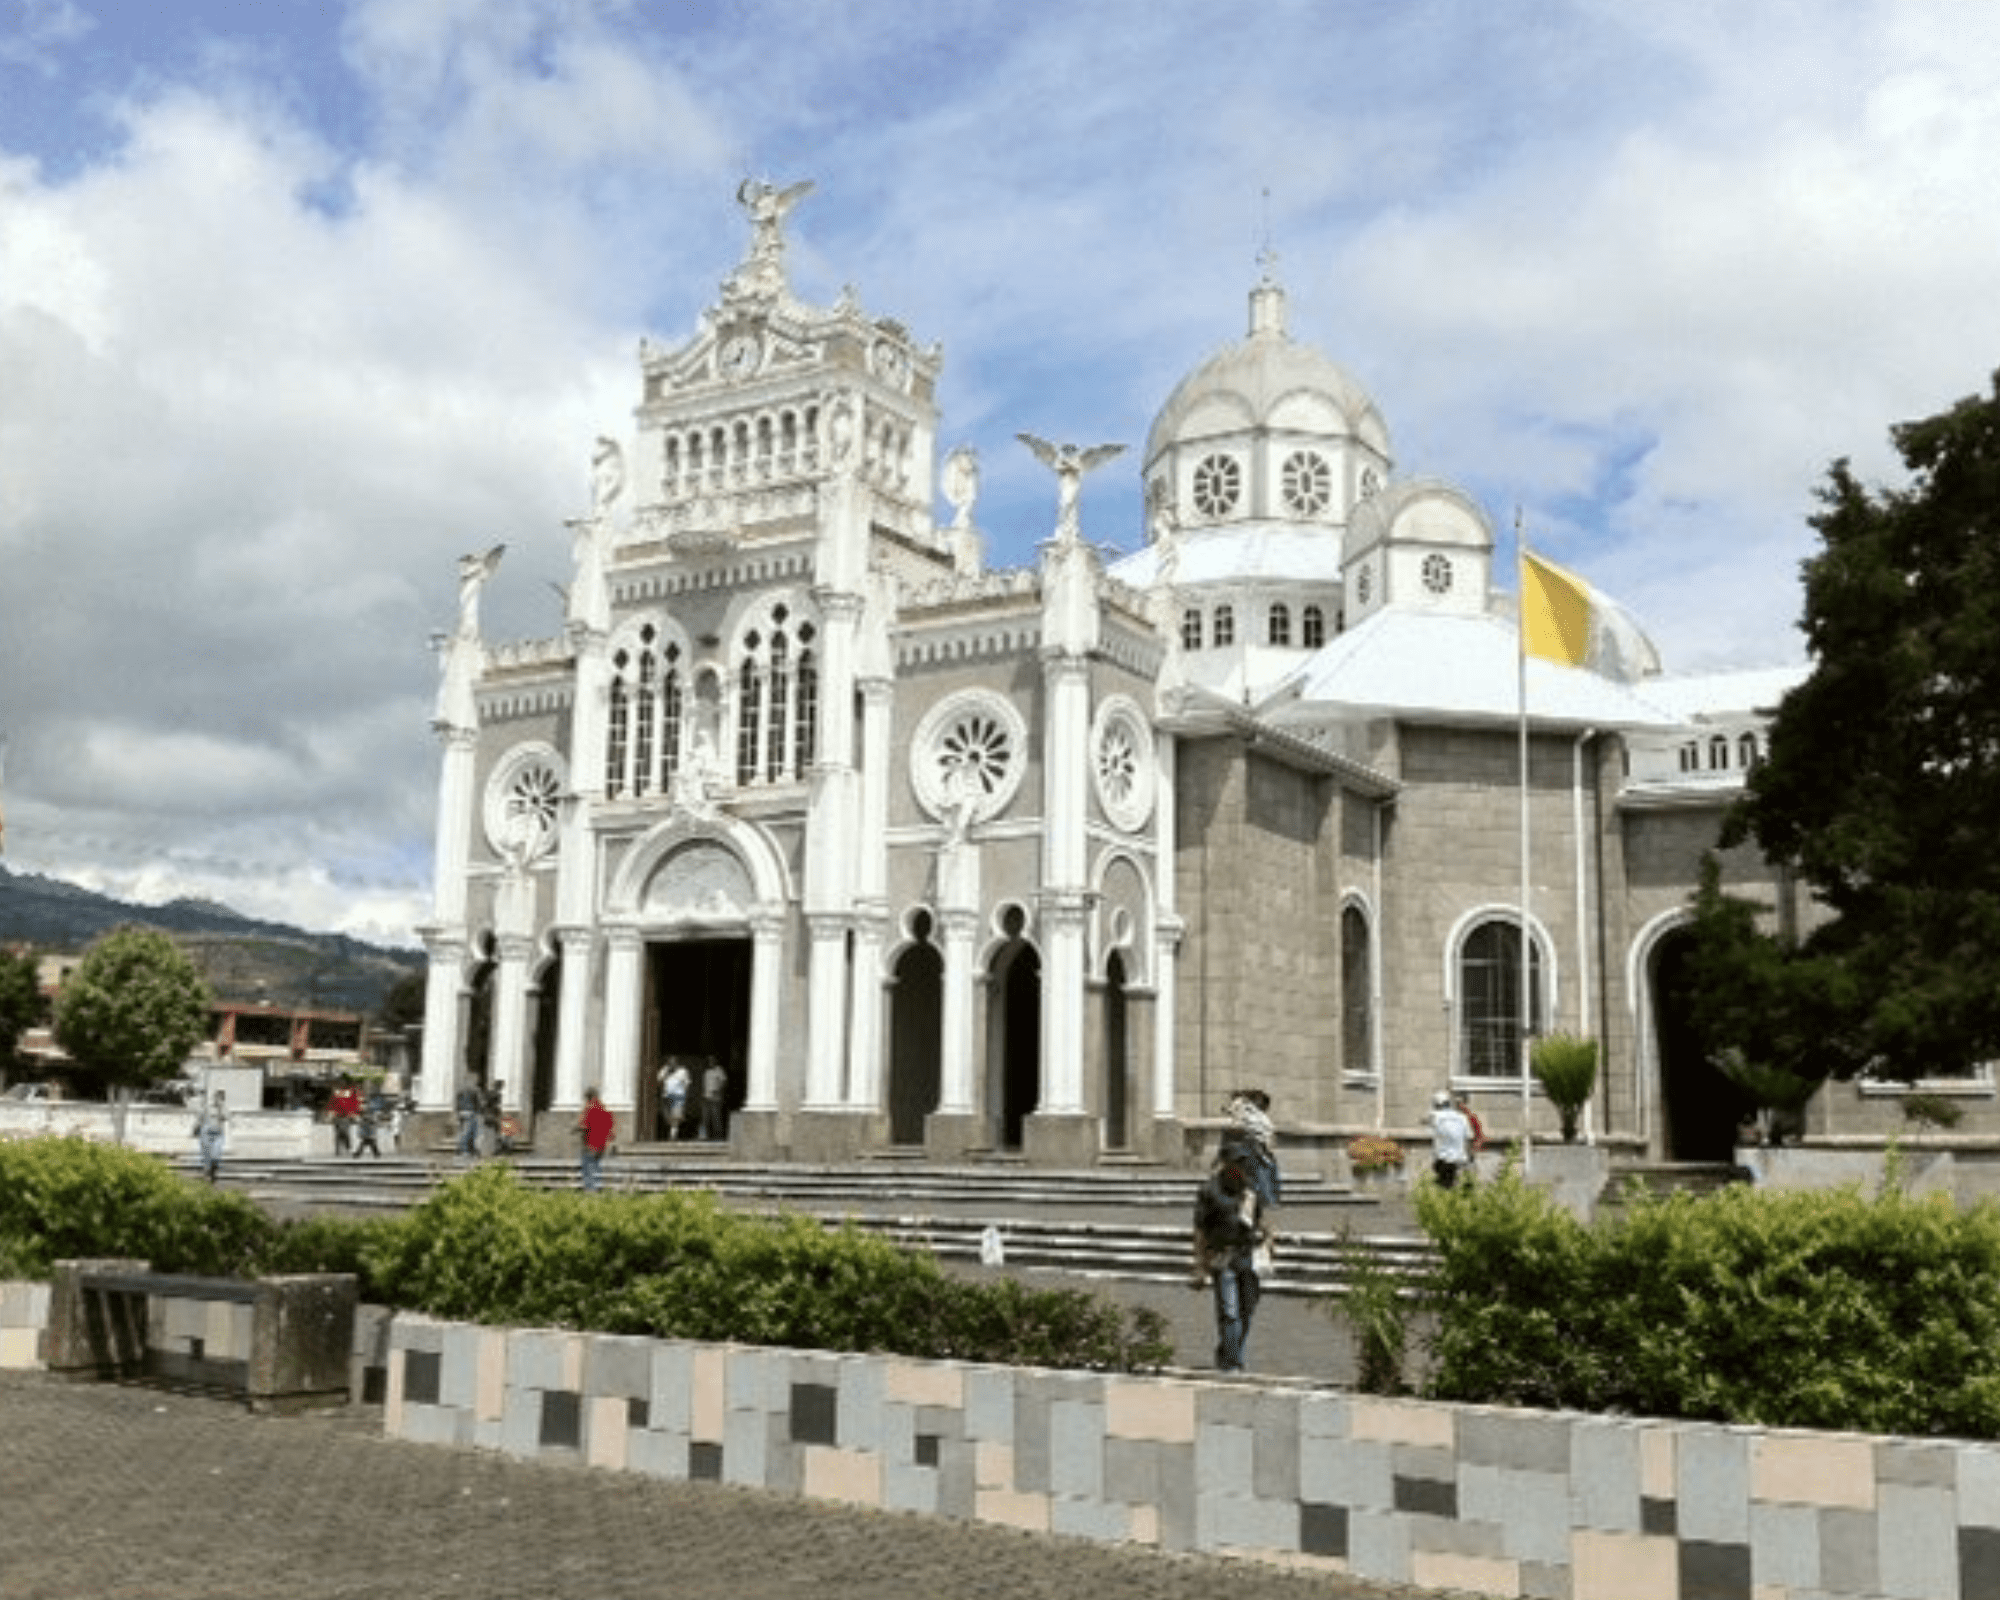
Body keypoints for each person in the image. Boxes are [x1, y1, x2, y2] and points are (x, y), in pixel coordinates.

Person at [1190, 1160, 1265, 1373]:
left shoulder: (1251, 1189)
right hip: (1222, 1258)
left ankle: (1227, 1352)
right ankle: (1233, 1363)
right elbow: (1199, 1228)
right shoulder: (1210, 1191)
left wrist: (1267, 1236)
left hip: (1247, 1257)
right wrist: (1199, 1260)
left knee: (1247, 1310)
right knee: (1229, 1312)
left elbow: (1259, 1220)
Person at [1429, 1089, 1474, 1189]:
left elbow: (1431, 1131)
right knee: (1462, 1189)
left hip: (1444, 1160)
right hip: (1461, 1159)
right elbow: (1469, 1137)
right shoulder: (1462, 1117)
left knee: (1444, 1189)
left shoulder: (1436, 1117)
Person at [576, 1086, 615, 1192]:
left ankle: (590, 1190)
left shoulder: (589, 1110)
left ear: (588, 1098)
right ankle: (596, 1187)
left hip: (590, 1144)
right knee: (596, 1167)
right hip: (601, 1145)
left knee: (588, 1168)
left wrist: (577, 1128)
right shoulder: (604, 1110)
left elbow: (583, 1126)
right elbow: (610, 1127)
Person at [191, 1092, 227, 1185]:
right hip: (206, 1134)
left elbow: (225, 1117)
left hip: (218, 1134)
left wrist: (221, 1107)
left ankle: (212, 1173)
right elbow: (199, 1119)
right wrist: (195, 1129)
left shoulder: (223, 1109)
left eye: (221, 1098)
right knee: (207, 1156)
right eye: (217, 1098)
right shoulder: (207, 1108)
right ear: (214, 1098)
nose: (218, 1100)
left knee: (216, 1155)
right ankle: (208, 1176)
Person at [659, 1059, 691, 1141]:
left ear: (677, 1063)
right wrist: (666, 1070)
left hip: (678, 1096)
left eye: (673, 1062)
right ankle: (672, 1130)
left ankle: (673, 1134)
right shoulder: (665, 1070)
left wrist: (684, 1095)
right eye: (670, 1062)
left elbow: (687, 1084)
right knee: (667, 1116)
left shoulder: (683, 1071)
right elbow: (659, 1079)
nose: (671, 1063)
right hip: (666, 1096)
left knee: (676, 1116)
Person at [329, 1079, 362, 1157]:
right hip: (341, 1116)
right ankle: (342, 1149)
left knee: (342, 1133)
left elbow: (353, 1104)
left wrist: (353, 1113)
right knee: (341, 1133)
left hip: (342, 1116)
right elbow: (353, 1104)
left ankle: (343, 1149)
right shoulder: (343, 1093)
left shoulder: (342, 1093)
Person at [700, 1059, 728, 1142]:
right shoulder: (706, 1071)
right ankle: (703, 1136)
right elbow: (704, 1084)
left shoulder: (719, 1070)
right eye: (709, 1060)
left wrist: (718, 1090)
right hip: (706, 1096)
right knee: (705, 1117)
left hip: (716, 1097)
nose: (710, 1062)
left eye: (712, 1060)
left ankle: (718, 1135)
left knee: (716, 1116)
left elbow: (724, 1082)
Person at [455, 1080, 484, 1161]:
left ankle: (463, 1149)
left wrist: (458, 1112)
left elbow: (457, 1103)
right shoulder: (474, 1091)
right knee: (469, 1132)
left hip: (461, 1112)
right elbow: (478, 1103)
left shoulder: (460, 1091)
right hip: (470, 1112)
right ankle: (465, 1150)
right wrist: (479, 1111)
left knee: (462, 1131)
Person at [354, 1089, 384, 1159]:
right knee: (368, 1142)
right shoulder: (363, 1111)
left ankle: (358, 1154)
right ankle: (376, 1154)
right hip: (366, 1129)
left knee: (367, 1142)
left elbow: (372, 1119)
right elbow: (362, 1120)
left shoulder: (369, 1110)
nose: (364, 1105)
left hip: (368, 1129)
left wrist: (370, 1121)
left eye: (365, 1104)